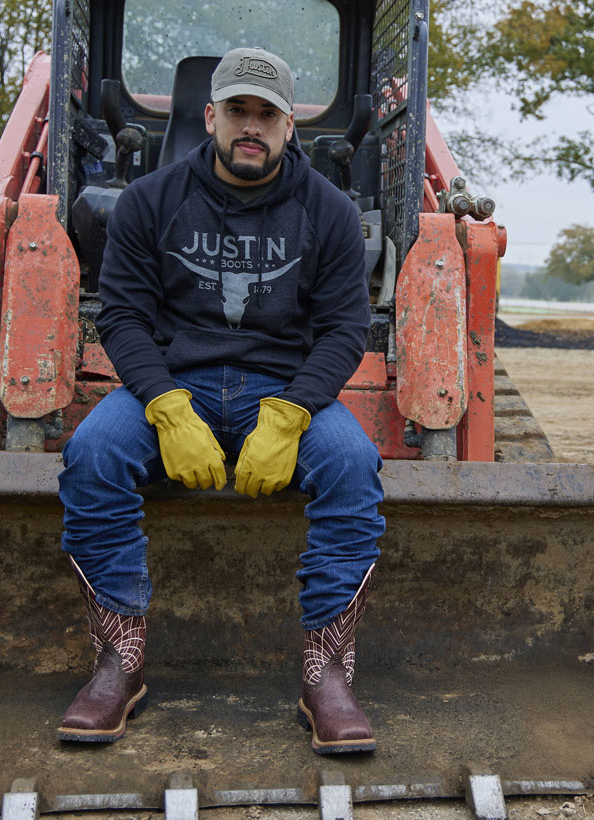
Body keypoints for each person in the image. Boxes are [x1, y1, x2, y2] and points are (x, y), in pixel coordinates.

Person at [57, 47, 386, 755]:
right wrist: (168, 407)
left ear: (290, 125)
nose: (251, 126)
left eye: (266, 114)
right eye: (237, 110)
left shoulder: (328, 212)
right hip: (179, 384)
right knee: (91, 453)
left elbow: (344, 328)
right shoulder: (150, 201)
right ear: (209, 116)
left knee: (353, 464)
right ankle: (120, 661)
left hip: (285, 391)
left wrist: (294, 411)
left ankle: (325, 673)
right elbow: (121, 316)